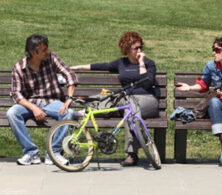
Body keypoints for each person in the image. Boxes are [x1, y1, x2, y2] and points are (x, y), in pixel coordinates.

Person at [70, 31, 159, 167]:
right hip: (128, 100)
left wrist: (141, 63)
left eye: (141, 47)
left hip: (147, 100)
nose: (139, 50)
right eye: (136, 48)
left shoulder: (149, 63)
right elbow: (102, 66)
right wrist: (77, 67)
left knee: (131, 111)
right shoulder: (121, 63)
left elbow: (146, 83)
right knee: (128, 109)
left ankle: (132, 154)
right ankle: (136, 145)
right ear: (127, 50)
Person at [7, 34, 79, 165]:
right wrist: (34, 108)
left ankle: (53, 153)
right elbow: (16, 94)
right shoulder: (19, 68)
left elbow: (70, 75)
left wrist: (69, 99)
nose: (48, 52)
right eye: (44, 49)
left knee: (69, 113)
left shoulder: (52, 58)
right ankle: (31, 152)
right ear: (34, 53)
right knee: (12, 113)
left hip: (52, 102)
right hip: (30, 103)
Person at [176, 34, 222, 153]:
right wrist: (189, 87)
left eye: (217, 50)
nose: (214, 53)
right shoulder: (210, 66)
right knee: (214, 102)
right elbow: (203, 85)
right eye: (213, 49)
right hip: (220, 105)